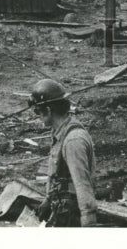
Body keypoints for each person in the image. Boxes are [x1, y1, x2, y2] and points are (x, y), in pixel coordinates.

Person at [28, 79, 96, 227]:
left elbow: (82, 183)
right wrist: (47, 200)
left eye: (38, 111)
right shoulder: (60, 133)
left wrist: (88, 219)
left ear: (48, 110)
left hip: (73, 214)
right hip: (63, 208)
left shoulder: (73, 140)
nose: (37, 115)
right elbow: (58, 175)